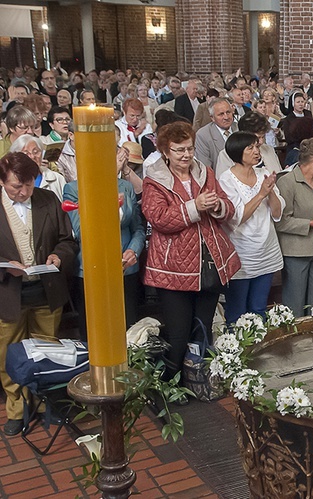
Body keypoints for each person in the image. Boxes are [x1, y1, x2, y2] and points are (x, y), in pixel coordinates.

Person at [141, 121, 240, 378]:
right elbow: (158, 217)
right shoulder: (155, 180)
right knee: (178, 333)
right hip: (173, 268)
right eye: (179, 150)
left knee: (202, 328)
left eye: (189, 148)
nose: (186, 155)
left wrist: (218, 205)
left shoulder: (204, 172)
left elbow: (227, 206)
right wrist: (194, 206)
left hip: (207, 264)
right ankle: (169, 383)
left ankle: (195, 379)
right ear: (165, 151)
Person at [0, 152, 77, 436]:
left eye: (29, 185)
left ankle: (45, 404)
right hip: (8, 293)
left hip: (46, 290)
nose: (23, 192)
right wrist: (8, 269)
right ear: (2, 183)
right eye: (15, 187)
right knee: (8, 354)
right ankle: (17, 409)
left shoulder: (47, 200)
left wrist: (59, 256)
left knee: (47, 352)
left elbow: (67, 240)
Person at [63, 146, 145, 338]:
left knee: (128, 333)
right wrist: (106, 194)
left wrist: (134, 250)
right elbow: (82, 231)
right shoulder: (74, 189)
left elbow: (138, 228)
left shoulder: (124, 186)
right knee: (94, 334)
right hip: (92, 269)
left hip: (126, 267)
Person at [219, 132, 284, 322]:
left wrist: (270, 191)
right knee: (237, 310)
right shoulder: (226, 179)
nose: (257, 151)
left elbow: (278, 212)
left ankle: (259, 349)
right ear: (238, 151)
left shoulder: (263, 173)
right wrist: (261, 194)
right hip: (242, 252)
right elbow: (237, 217)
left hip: (266, 249)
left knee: (259, 307)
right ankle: (236, 350)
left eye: (257, 147)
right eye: (251, 148)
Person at [275, 138, 313, 317]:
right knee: (295, 303)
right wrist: (311, 224)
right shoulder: (287, 182)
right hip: (297, 252)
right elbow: (281, 221)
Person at [9, 135, 66, 201]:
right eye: (26, 153)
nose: (33, 156)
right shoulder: (10, 180)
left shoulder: (57, 178)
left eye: (36, 152)